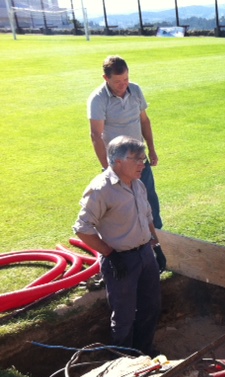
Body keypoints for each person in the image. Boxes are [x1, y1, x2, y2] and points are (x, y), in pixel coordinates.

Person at [73, 136, 165, 356]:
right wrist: (109, 254)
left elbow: (148, 216)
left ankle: (144, 351)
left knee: (150, 308)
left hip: (145, 254)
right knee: (124, 316)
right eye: (137, 159)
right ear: (117, 161)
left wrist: (157, 245)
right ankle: (124, 361)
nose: (143, 164)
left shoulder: (138, 184)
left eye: (143, 158)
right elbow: (82, 228)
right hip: (120, 261)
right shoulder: (101, 190)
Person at [88, 55, 163, 230]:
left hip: (139, 160)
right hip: (118, 164)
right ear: (106, 78)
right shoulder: (98, 99)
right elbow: (96, 135)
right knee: (122, 206)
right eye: (118, 82)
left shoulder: (135, 90)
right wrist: (107, 168)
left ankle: (158, 235)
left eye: (126, 79)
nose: (124, 85)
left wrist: (152, 150)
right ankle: (127, 239)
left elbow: (144, 121)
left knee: (149, 198)